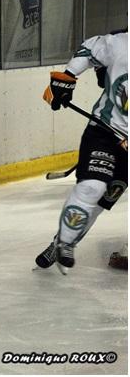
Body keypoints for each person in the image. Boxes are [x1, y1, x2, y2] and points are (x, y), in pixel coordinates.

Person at [35, 29, 127, 274]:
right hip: (105, 133)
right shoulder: (122, 44)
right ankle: (65, 242)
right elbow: (89, 49)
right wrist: (67, 78)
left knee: (101, 201)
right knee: (92, 188)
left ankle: (62, 241)